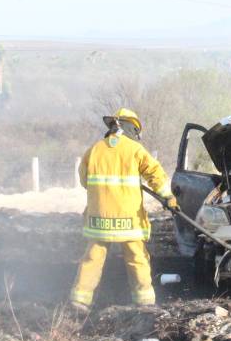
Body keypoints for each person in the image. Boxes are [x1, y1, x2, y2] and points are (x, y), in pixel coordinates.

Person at [70, 108, 178, 316]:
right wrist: (168, 197)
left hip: (98, 218)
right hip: (128, 219)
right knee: (137, 257)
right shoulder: (135, 149)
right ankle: (145, 303)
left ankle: (80, 300)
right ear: (131, 127)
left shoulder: (95, 149)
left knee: (92, 258)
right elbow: (155, 175)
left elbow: (84, 180)